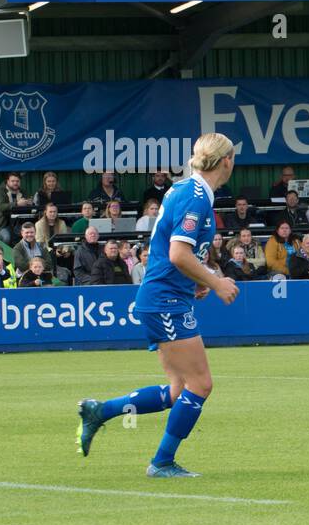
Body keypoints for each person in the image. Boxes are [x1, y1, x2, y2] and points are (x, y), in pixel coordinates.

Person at [77, 133, 240, 478]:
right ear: (227, 161)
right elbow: (178, 253)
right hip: (165, 300)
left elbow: (176, 247)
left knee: (178, 390)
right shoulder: (196, 199)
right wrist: (215, 280)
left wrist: (195, 280)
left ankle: (100, 411)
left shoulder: (184, 191)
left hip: (166, 296)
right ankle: (162, 461)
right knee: (201, 384)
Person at [0, 171, 32, 244]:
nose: (15, 183)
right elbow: (1, 206)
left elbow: (27, 207)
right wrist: (17, 204)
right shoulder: (0, 192)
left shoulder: (22, 192)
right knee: (6, 237)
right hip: (0, 225)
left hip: (17, 224)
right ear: (7, 181)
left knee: (28, 235)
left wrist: (29, 203)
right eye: (12, 181)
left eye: (17, 181)